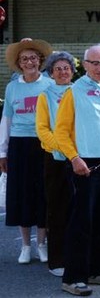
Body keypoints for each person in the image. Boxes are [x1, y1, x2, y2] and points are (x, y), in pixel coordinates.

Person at [54, 45, 100, 296]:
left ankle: (97, 270)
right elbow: (60, 131)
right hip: (85, 164)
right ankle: (73, 277)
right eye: (96, 63)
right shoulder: (75, 91)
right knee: (82, 222)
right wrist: (74, 158)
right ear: (85, 64)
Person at [0, 38, 53, 265]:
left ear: (39, 61)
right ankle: (25, 245)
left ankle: (41, 244)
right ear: (19, 63)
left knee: (43, 193)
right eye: (24, 59)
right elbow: (6, 120)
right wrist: (3, 151)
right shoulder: (12, 87)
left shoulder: (49, 84)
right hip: (20, 145)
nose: (29, 62)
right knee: (21, 195)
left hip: (43, 144)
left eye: (33, 58)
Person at [35, 51, 75, 277]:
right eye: (58, 69)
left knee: (76, 209)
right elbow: (42, 128)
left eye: (66, 68)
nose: (62, 72)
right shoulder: (45, 95)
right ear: (51, 73)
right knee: (57, 210)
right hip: (55, 158)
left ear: (72, 71)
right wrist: (61, 147)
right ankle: (57, 260)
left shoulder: (79, 91)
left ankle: (75, 255)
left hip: (79, 157)